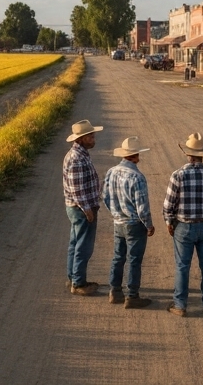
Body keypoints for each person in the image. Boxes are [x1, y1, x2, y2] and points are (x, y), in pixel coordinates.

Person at [163, 133, 203, 316]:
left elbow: (169, 205)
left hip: (183, 226)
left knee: (183, 266)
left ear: (187, 154)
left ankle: (180, 305)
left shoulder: (178, 175)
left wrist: (169, 222)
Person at [102, 136, 155, 308]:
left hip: (118, 222)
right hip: (134, 224)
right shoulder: (137, 177)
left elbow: (105, 197)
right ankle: (132, 295)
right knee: (134, 259)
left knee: (118, 257)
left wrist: (115, 213)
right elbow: (142, 207)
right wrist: (148, 224)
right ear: (136, 155)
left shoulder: (111, 172)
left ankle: (114, 291)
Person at [62, 119, 104, 295]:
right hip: (81, 208)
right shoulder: (77, 158)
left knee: (75, 243)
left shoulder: (80, 154)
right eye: (91, 136)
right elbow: (77, 189)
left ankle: (73, 277)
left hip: (77, 207)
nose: (94, 138)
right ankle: (79, 283)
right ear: (81, 138)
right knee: (83, 246)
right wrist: (87, 210)